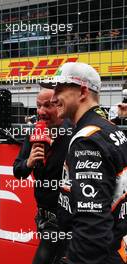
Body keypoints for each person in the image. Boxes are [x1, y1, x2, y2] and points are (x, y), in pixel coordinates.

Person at [41, 62, 127, 264]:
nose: (53, 98)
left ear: (82, 92)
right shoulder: (111, 130)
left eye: (59, 90)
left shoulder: (87, 139)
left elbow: (92, 221)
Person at [13, 88, 72, 264]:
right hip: (43, 219)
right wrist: (28, 163)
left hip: (68, 220)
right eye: (38, 106)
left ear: (60, 106)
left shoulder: (75, 134)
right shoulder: (33, 133)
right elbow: (18, 171)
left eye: (47, 105)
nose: (41, 112)